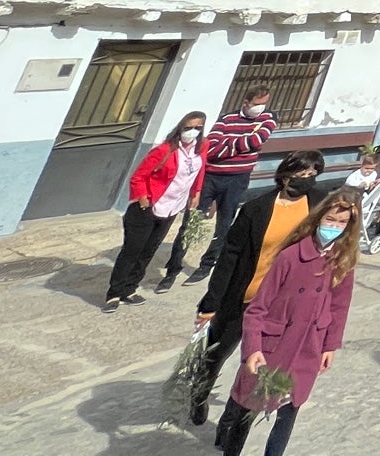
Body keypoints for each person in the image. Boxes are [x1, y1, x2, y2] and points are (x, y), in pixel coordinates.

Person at [214, 186, 358, 456]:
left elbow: (340, 307)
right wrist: (253, 348)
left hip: (308, 347)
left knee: (288, 410)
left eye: (341, 223)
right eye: (330, 220)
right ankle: (228, 437)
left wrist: (329, 345)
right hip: (274, 345)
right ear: (318, 219)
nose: (334, 226)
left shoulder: (342, 261)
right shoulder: (290, 256)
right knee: (248, 404)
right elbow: (258, 308)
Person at [187, 151, 326, 427]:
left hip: (283, 303)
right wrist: (212, 301)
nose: (308, 180)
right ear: (286, 174)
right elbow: (230, 255)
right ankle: (199, 393)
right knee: (217, 352)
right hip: (246, 295)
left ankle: (232, 417)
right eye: (303, 174)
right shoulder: (256, 208)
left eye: (313, 175)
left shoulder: (319, 204)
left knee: (258, 363)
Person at [104, 110, 206, 310]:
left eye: (197, 128)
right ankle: (114, 293)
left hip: (171, 209)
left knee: (148, 251)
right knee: (132, 251)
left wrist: (197, 193)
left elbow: (199, 171)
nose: (192, 132)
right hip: (148, 207)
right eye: (188, 128)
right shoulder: (164, 150)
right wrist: (143, 198)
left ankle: (130, 288)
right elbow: (138, 177)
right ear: (180, 128)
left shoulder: (200, 149)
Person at [179, 87, 277, 285]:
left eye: (263, 104)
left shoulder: (267, 118)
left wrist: (228, 144)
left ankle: (207, 264)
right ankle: (174, 265)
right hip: (210, 176)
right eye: (256, 104)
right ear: (246, 102)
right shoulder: (226, 119)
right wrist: (239, 145)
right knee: (191, 220)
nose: (260, 108)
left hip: (237, 178)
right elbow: (211, 148)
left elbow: (256, 141)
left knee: (224, 224)